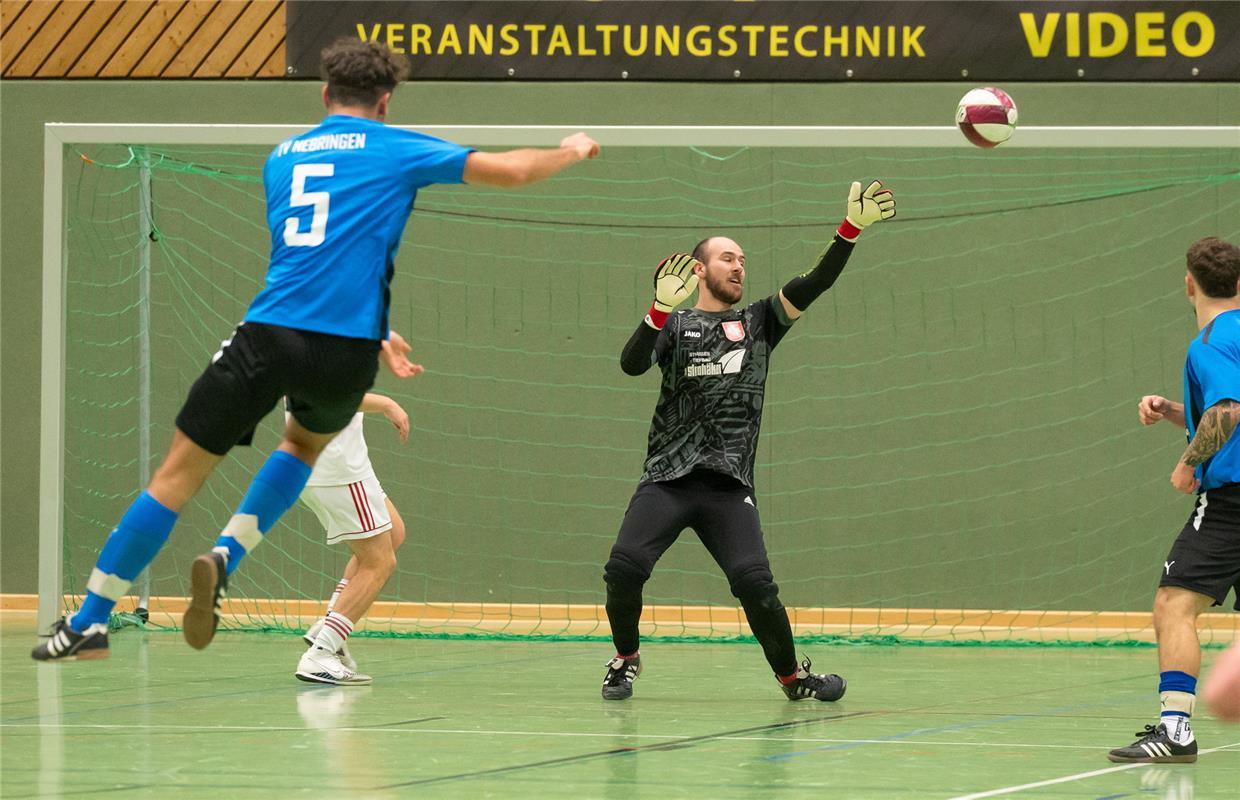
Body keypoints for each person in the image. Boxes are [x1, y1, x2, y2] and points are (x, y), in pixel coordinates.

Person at [33, 38, 599, 664]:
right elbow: (513, 171)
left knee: (174, 477)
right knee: (302, 446)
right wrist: (571, 150)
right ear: (385, 102)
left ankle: (88, 621)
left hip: (270, 331)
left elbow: (312, 259)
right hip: (346, 352)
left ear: (326, 93)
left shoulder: (281, 158)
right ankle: (226, 555)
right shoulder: (396, 147)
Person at [600, 180, 895, 701]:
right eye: (728, 258)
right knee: (624, 568)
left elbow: (815, 281)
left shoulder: (759, 322)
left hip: (727, 485)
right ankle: (625, 658)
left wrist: (851, 228)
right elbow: (631, 364)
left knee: (756, 584)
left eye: (743, 260)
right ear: (699, 270)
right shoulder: (676, 323)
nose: (739, 266)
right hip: (667, 479)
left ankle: (793, 678)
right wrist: (658, 310)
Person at [1108, 236, 1240, 763]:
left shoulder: (1210, 343)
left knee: (1174, 604)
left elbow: (1228, 411)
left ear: (1189, 285)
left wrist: (1188, 462)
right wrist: (1174, 412)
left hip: (1231, 503)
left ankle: (1175, 729)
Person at [295, 388, 413, 685]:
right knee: (380, 561)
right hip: (337, 470)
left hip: (339, 464)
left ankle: (328, 627)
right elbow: (331, 395)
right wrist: (387, 403)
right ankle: (322, 652)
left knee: (393, 532)